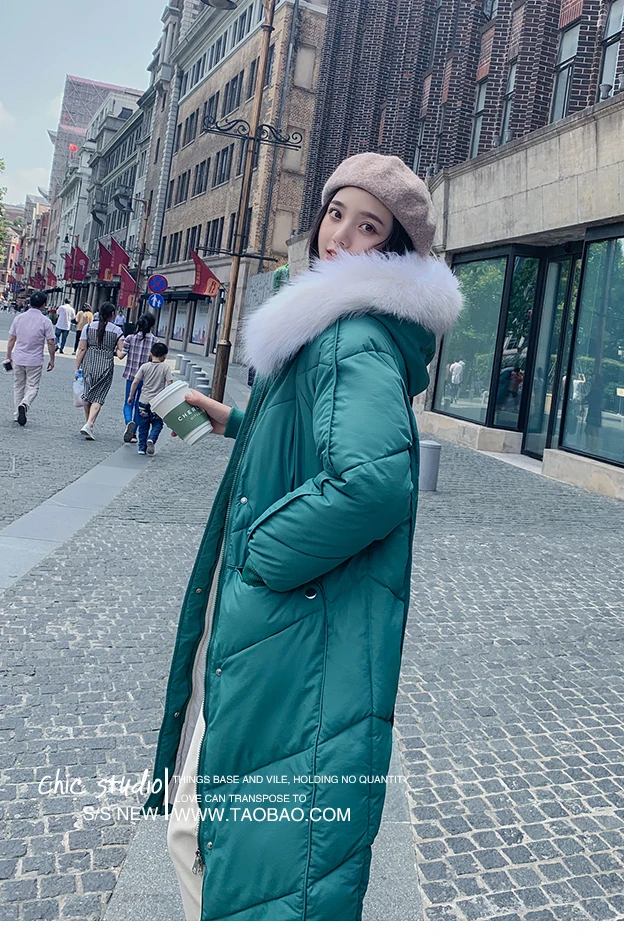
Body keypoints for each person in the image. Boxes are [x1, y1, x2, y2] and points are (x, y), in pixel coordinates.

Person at [143, 152, 463, 922]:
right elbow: (325, 435)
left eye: (369, 227)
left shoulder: (349, 332)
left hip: (287, 625)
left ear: (393, 250)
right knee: (223, 830)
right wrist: (235, 421)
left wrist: (260, 559)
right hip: (288, 626)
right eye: (335, 214)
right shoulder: (332, 324)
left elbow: (374, 481)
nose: (340, 237)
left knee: (210, 837)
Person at [4, 290, 55, 426]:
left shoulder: (19, 318)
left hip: (19, 357)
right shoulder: (46, 321)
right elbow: (51, 342)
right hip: (35, 359)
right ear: (44, 304)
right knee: (32, 387)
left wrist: (8, 355)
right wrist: (52, 359)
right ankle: (25, 403)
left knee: (18, 386)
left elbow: (12, 338)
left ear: (30, 303)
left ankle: (17, 413)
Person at [75, 301, 125, 440]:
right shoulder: (117, 331)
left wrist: (77, 367)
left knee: (87, 394)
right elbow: (121, 353)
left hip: (89, 363)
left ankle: (88, 423)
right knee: (99, 397)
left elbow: (82, 348)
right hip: (106, 365)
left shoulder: (88, 327)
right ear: (113, 314)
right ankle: (89, 424)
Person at [127, 342, 172, 455]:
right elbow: (170, 383)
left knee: (143, 425)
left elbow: (135, 381)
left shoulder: (144, 366)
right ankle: (151, 438)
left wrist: (131, 395)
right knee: (158, 423)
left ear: (150, 354)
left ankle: (141, 448)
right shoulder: (165, 368)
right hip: (158, 403)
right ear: (165, 356)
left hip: (143, 401)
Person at [119, 312, 156, 443]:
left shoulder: (130, 338)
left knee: (128, 402)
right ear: (152, 325)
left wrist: (117, 348)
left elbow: (121, 356)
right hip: (146, 379)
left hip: (131, 376)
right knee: (140, 405)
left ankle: (128, 422)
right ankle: (134, 434)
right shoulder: (155, 341)